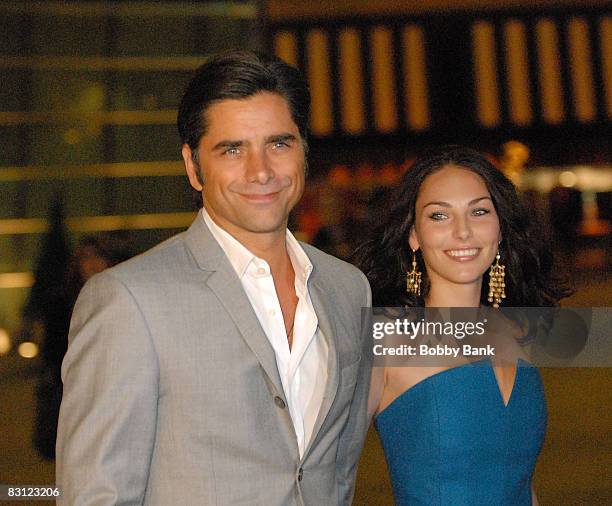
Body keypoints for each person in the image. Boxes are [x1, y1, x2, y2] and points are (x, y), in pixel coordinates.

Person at [56, 51, 371, 505]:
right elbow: (94, 495)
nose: (260, 170)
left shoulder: (346, 288)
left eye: (279, 144)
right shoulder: (128, 300)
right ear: (193, 166)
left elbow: (336, 472)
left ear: (304, 151)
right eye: (232, 149)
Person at [355, 146, 571, 505]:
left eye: (480, 211)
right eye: (439, 216)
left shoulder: (515, 329)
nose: (463, 232)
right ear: (413, 235)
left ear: (500, 229)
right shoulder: (385, 339)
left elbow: (520, 481)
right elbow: (325, 468)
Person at [34, 234, 132, 460]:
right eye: (86, 258)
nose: (92, 264)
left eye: (98, 257)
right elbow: (52, 351)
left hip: (115, 386)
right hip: (74, 387)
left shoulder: (122, 296)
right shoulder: (61, 302)